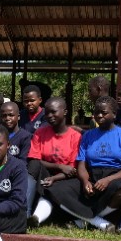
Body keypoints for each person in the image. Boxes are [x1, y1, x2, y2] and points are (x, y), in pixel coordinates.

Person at [47, 96, 121, 233]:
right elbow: (81, 163)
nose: (99, 116)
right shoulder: (88, 135)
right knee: (55, 190)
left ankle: (86, 221)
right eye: (96, 112)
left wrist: (107, 180)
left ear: (114, 114)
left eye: (104, 113)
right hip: (91, 174)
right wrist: (85, 181)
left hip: (114, 175)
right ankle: (98, 222)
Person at [26, 97, 81, 227]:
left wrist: (55, 178)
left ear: (65, 112)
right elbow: (35, 159)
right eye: (47, 113)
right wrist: (58, 166)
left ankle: (36, 218)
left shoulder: (75, 137)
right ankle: (25, 212)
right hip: (45, 173)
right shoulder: (40, 133)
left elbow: (72, 169)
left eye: (53, 112)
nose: (49, 116)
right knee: (33, 165)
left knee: (55, 187)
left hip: (66, 178)